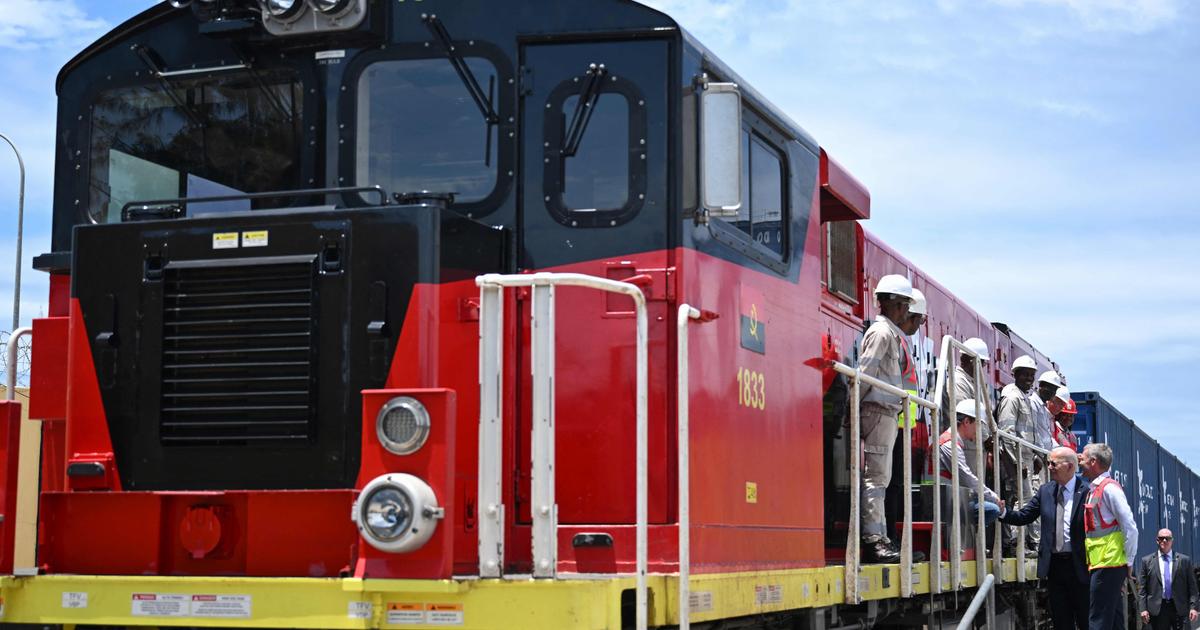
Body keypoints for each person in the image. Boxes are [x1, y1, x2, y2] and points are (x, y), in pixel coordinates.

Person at [998, 446, 1091, 630]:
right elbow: (1024, 516)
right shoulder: (1045, 491)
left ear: (1070, 466)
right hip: (1055, 568)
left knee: (1086, 622)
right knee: (1061, 623)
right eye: (1048, 463)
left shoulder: (1087, 491)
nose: (1049, 467)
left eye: (1053, 463)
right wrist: (1002, 512)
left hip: (1080, 568)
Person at [855, 274, 913, 563]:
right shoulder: (881, 333)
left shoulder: (891, 333)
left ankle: (880, 538)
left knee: (881, 478)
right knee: (876, 478)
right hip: (878, 412)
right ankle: (875, 540)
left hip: (886, 413)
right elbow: (865, 372)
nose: (906, 311)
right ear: (890, 303)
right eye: (903, 304)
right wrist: (852, 408)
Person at [886, 288, 929, 551]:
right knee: (889, 486)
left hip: (902, 427)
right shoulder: (891, 337)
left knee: (895, 486)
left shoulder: (903, 341)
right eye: (919, 321)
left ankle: (894, 537)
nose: (919, 326)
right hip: (894, 424)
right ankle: (889, 537)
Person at [1079, 442, 1138, 630]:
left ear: (1094, 461)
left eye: (1083, 457)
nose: (1080, 460)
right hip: (1104, 563)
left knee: (1099, 621)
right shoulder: (1095, 489)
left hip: (1109, 563)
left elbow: (1130, 527)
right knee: (1113, 620)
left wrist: (1128, 562)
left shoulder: (1109, 489)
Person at [935, 399, 1004, 526]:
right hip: (941, 502)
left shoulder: (951, 442)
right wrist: (994, 497)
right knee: (992, 509)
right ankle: (966, 542)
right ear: (966, 422)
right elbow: (967, 477)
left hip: (945, 498)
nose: (979, 431)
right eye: (978, 425)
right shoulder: (950, 445)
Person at [998, 355, 1038, 555]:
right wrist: (1015, 462)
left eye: (1032, 375)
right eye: (1025, 374)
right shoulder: (1012, 396)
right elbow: (1006, 432)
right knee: (1019, 502)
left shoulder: (1024, 397)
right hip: (1016, 461)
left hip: (1026, 460)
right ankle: (1015, 544)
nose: (1029, 379)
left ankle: (1022, 543)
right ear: (1015, 374)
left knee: (1025, 501)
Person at [1138, 528, 1199, 630]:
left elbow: (1192, 587)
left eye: (1167, 538)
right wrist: (1143, 609)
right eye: (1161, 538)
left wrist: (1194, 608)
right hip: (1158, 609)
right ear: (1157, 540)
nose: (1164, 541)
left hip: (1179, 608)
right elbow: (1142, 589)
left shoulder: (1184, 560)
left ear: (1172, 540)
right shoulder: (1147, 561)